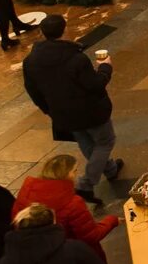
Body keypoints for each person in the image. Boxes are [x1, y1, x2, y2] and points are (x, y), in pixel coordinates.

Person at [22, 15, 121, 204]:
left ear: (42, 33)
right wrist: (105, 68)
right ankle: (86, 183)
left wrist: (48, 110)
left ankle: (109, 169)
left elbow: (32, 89)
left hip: (61, 112)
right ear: (65, 31)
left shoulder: (30, 61)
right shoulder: (75, 57)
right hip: (89, 110)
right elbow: (95, 85)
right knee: (105, 141)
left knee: (85, 141)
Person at [12, 154, 118, 262]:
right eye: (74, 171)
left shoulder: (26, 191)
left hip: (34, 253)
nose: (76, 174)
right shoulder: (73, 203)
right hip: (70, 256)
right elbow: (90, 236)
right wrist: (112, 220)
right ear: (67, 175)